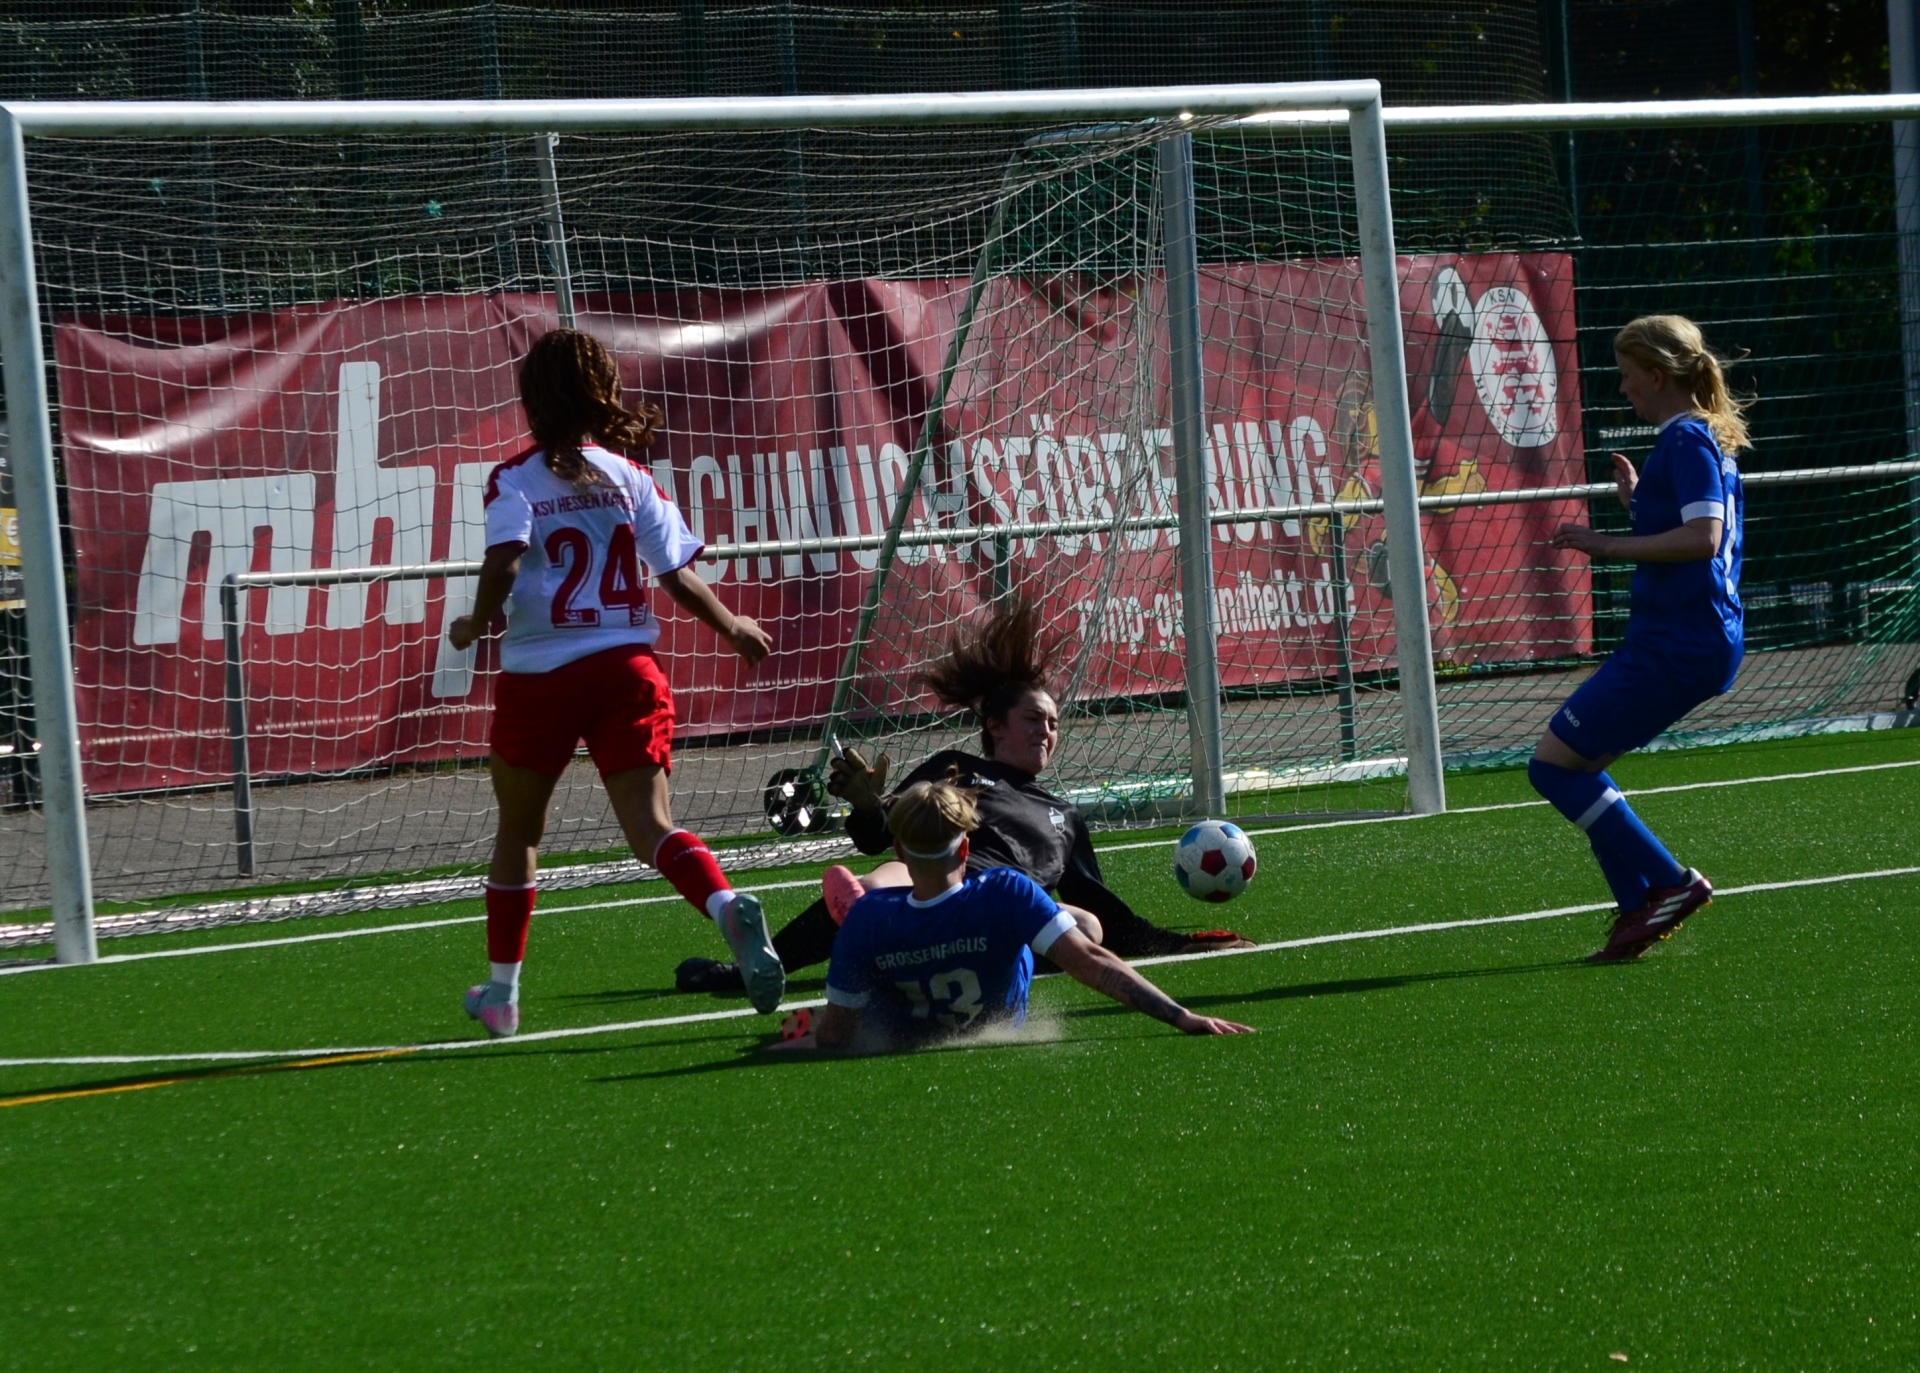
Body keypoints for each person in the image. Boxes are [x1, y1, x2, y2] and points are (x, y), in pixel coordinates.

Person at [448, 328, 786, 1037]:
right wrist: (732, 627)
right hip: (626, 669)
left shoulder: (515, 479)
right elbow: (677, 578)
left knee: (519, 830)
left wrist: (476, 621)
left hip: (541, 675)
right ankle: (725, 905)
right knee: (652, 827)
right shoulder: (629, 477)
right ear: (603, 392)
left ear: (532, 399)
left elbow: (506, 562)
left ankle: (502, 994)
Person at [675, 597, 1250, 995]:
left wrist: (1183, 943)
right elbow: (882, 836)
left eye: (1053, 724)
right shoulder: (956, 768)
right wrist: (869, 805)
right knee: (877, 882)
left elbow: (1110, 915)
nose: (1046, 732)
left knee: (1088, 927)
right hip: (937, 885)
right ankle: (753, 967)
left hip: (998, 909)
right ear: (995, 726)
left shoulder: (1064, 815)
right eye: (1033, 719)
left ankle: (905, 953)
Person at [1535, 314, 1747, 963]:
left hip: (1679, 640)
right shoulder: (1697, 436)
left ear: (1657, 376)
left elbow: (1703, 539)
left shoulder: (1685, 437)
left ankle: (1669, 883)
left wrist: (1605, 543)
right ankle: (1637, 908)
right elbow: (1692, 527)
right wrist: (1637, 502)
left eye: (1628, 375)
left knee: (1552, 766)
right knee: (1577, 765)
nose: (1623, 387)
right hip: (1685, 637)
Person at [782, 779, 1252, 1050]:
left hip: (901, 1002)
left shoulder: (867, 918)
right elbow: (1093, 963)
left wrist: (805, 1039)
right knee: (1083, 928)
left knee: (867, 956)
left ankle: (823, 1001)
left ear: (901, 850)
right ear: (965, 848)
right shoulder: (1004, 891)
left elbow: (839, 1037)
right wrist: (1180, 1016)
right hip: (994, 989)